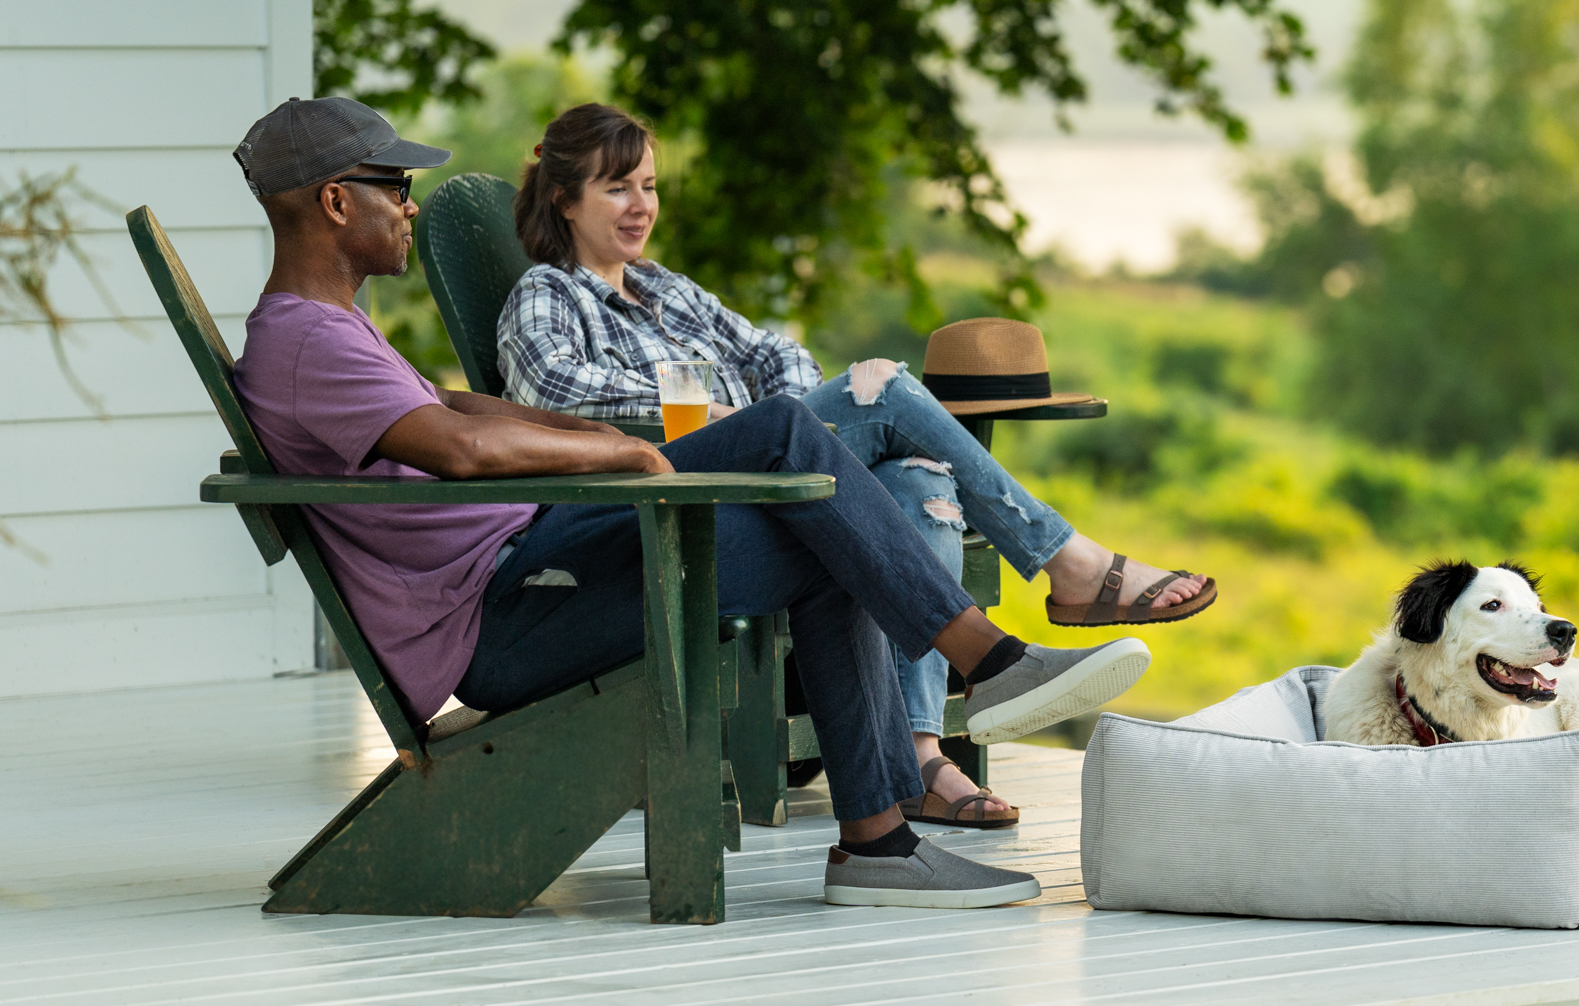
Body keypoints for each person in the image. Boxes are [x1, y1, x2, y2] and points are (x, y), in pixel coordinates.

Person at [225, 96, 1155, 909]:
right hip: (503, 613)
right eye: (393, 187)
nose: (409, 205)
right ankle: (987, 661)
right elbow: (460, 450)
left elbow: (458, 408)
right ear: (337, 201)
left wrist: (590, 441)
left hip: (534, 562)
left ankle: (878, 842)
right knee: (787, 435)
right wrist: (625, 448)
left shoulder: (337, 327)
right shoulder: (309, 341)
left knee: (824, 510)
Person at [494, 104, 1219, 829]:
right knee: (885, 387)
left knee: (919, 481)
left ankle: (919, 757)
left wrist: (769, 424)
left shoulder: (665, 290)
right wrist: (723, 416)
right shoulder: (547, 294)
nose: (640, 206)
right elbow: (552, 390)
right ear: (564, 198)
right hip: (664, 507)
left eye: (649, 186)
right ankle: (1072, 569)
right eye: (617, 188)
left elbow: (776, 354)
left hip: (761, 481)